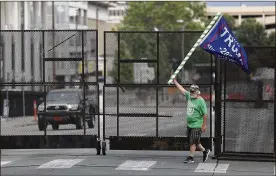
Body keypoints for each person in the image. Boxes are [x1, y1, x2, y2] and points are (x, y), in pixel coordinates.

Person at [173, 78, 210, 163]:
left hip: (197, 124)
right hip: (190, 124)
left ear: (197, 92)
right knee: (195, 141)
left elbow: (205, 114)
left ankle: (191, 157)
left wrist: (204, 125)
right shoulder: (189, 96)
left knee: (192, 142)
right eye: (191, 91)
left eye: (193, 92)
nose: (191, 93)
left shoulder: (201, 101)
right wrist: (175, 82)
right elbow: (181, 89)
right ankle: (205, 151)